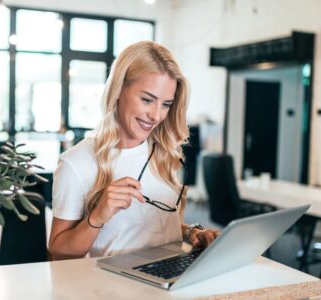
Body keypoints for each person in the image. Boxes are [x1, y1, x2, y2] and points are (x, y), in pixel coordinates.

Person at [48, 41, 219, 260]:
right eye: (147, 100)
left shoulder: (162, 152)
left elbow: (158, 225)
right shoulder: (76, 163)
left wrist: (192, 233)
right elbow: (59, 249)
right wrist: (97, 216)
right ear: (118, 90)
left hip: (169, 280)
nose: (156, 116)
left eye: (166, 104)